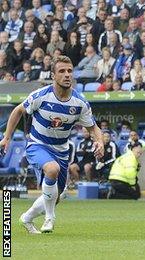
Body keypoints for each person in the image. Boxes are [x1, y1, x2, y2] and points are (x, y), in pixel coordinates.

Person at [0, 56, 104, 234]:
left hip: (61, 151)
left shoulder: (79, 103)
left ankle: (26, 218)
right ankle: (50, 218)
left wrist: (100, 141)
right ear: (53, 75)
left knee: (55, 196)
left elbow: (93, 127)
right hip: (37, 144)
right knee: (52, 169)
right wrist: (7, 138)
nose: (67, 75)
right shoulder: (41, 96)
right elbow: (18, 111)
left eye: (70, 71)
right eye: (62, 71)